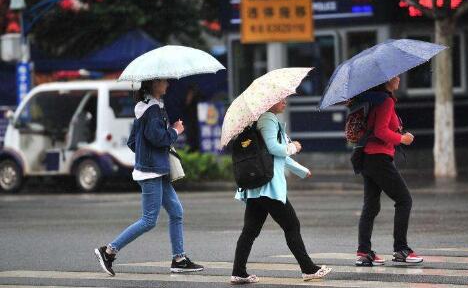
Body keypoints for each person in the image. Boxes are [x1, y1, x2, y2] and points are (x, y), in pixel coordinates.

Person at [94, 79, 203, 276]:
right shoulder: (152, 109)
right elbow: (158, 138)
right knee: (149, 220)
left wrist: (147, 155)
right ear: (153, 85)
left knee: (176, 211)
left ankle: (179, 259)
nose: (167, 84)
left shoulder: (148, 107)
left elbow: (133, 141)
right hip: (151, 171)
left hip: (155, 168)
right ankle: (109, 251)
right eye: (163, 82)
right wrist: (175, 131)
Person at [230, 99, 332, 285]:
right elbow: (275, 149)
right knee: (292, 225)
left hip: (256, 187)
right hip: (268, 187)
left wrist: (301, 170)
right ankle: (308, 269)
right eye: (281, 99)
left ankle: (238, 272)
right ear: (269, 102)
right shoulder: (268, 119)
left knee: (250, 230)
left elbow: (274, 156)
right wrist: (293, 147)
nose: (285, 102)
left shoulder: (261, 121)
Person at [355, 76, 424, 267]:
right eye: (395, 76)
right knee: (404, 200)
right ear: (386, 80)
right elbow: (381, 131)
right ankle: (401, 249)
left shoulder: (375, 99)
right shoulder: (384, 101)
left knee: (371, 206)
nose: (399, 78)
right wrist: (402, 139)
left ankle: (364, 252)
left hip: (368, 157)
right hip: (378, 158)